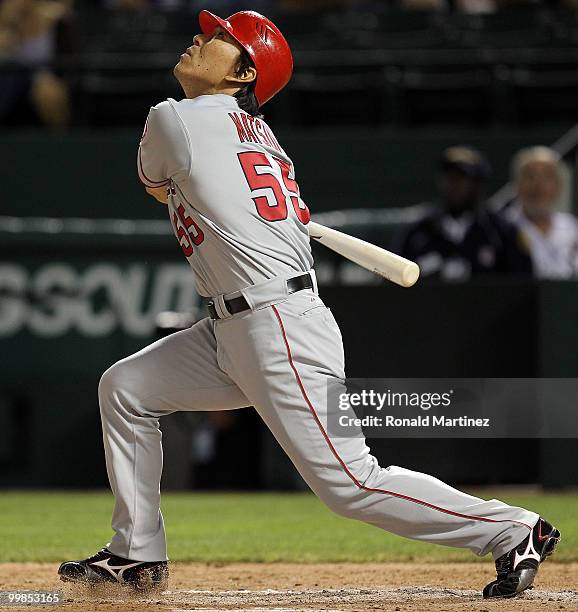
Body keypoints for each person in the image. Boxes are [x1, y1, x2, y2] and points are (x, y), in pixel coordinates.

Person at [57, 9, 559, 599]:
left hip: (276, 325)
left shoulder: (172, 118)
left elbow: (154, 185)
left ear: (245, 71)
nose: (201, 38)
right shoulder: (264, 138)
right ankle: (136, 553)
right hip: (235, 327)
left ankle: (510, 528)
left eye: (221, 38)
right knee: (126, 388)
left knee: (350, 484)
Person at [396, 146, 532, 282]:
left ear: (478, 184)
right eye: (449, 177)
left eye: (462, 179)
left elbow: (523, 284)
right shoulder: (417, 230)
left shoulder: (500, 232)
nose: (454, 185)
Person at [503, 146, 578, 279]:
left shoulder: (572, 227)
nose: (538, 185)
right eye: (530, 176)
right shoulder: (503, 228)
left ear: (558, 186)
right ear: (517, 185)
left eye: (547, 177)